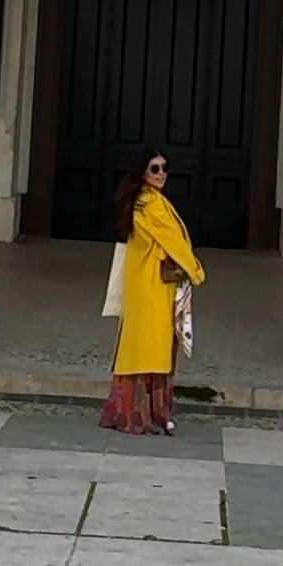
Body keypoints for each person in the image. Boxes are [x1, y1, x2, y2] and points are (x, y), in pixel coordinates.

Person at [100, 150, 204, 436]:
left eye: (164, 168)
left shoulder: (147, 201)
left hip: (148, 285)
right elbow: (172, 241)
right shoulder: (150, 204)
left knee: (145, 347)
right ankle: (140, 414)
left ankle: (148, 413)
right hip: (151, 287)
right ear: (142, 173)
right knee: (150, 349)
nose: (161, 174)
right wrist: (195, 271)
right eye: (154, 169)